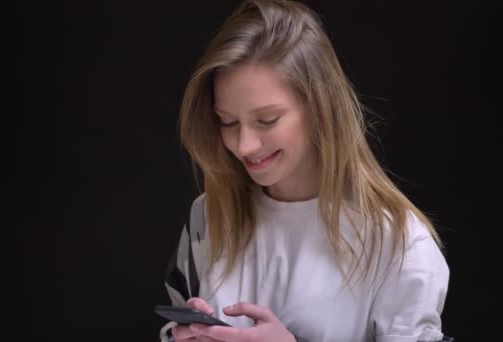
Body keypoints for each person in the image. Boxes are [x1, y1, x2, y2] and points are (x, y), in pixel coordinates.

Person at [159, 0, 452, 341]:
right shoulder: (208, 216)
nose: (244, 145)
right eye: (228, 122)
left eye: (267, 120)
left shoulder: (399, 242)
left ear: (320, 108)